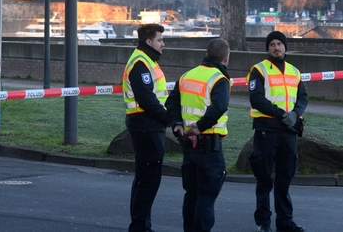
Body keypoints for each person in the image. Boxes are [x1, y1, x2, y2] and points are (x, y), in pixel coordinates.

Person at [165, 38, 232, 232]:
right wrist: (199, 127)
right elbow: (220, 106)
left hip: (188, 144)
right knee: (207, 195)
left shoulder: (187, 75)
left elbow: (172, 103)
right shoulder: (219, 79)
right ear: (226, 58)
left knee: (192, 194)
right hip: (209, 145)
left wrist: (177, 124)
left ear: (206, 53)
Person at [248, 31, 309, 232]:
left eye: (280, 44)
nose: (277, 48)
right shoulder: (259, 70)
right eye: (273, 44)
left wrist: (295, 113)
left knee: (285, 178)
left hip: (289, 132)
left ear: (285, 47)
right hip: (267, 130)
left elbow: (303, 98)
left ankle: (285, 221)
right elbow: (256, 99)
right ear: (268, 48)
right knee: (265, 178)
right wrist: (283, 114)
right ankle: (264, 222)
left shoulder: (294, 71)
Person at [123, 23, 169, 232]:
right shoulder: (141, 62)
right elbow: (146, 99)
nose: (163, 44)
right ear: (149, 41)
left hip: (147, 124)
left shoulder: (147, 60)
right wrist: (168, 118)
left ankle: (141, 224)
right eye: (160, 40)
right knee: (148, 179)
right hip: (146, 125)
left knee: (145, 178)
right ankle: (140, 226)